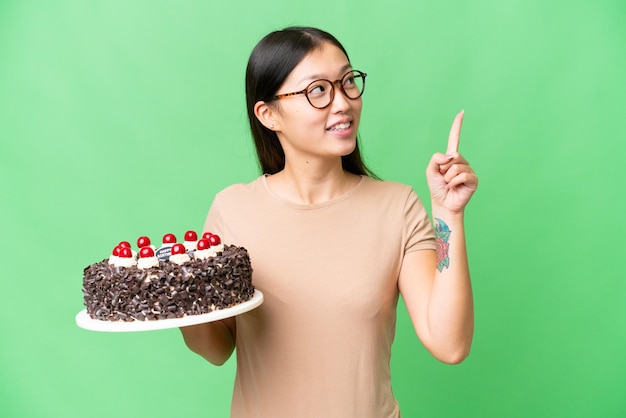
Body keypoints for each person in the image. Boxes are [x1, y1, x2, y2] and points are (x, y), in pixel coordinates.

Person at [180, 26, 478, 418]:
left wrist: (449, 214)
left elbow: (449, 343)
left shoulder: (397, 206)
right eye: (318, 90)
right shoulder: (232, 210)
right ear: (269, 114)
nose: (342, 103)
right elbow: (217, 349)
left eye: (348, 82)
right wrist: (181, 299)